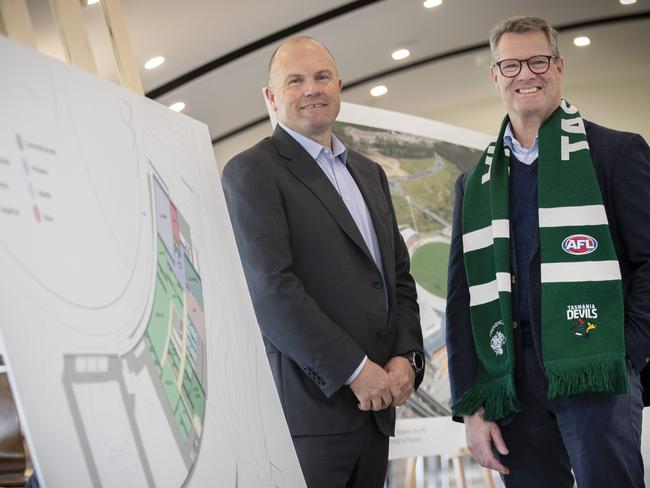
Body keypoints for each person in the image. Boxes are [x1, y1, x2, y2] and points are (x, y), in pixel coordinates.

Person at [446, 15, 650, 487]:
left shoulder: (616, 154)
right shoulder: (474, 183)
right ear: (495, 76)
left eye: (537, 60)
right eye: (511, 65)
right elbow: (462, 301)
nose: (525, 74)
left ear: (559, 67)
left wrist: (627, 349)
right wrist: (472, 409)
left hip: (595, 366)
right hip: (510, 381)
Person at [221, 36, 424, 487]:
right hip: (311, 416)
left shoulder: (369, 174)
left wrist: (406, 357)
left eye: (321, 77)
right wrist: (353, 370)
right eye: (295, 80)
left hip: (377, 411)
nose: (312, 89)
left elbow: (397, 277)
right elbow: (271, 289)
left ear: (339, 86)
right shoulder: (251, 171)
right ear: (271, 98)